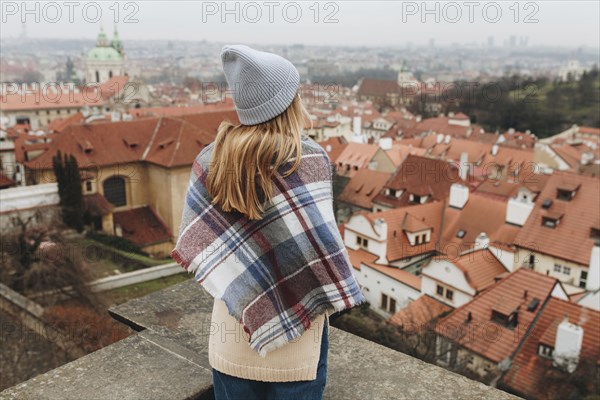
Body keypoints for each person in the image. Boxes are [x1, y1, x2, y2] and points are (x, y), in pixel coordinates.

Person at [171, 44, 365, 400]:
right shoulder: (309, 159)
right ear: (289, 101)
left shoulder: (210, 160)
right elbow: (319, 255)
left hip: (232, 333)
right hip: (297, 348)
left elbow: (203, 247)